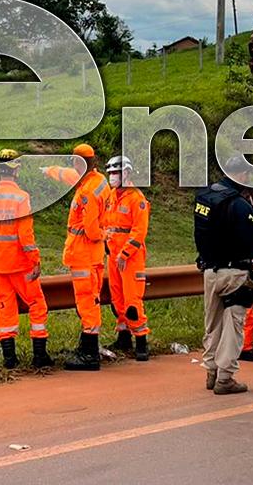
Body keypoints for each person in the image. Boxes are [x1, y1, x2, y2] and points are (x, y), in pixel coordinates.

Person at [0, 149, 52, 369]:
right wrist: (35, 259)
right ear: (16, 170)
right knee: (37, 304)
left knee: (5, 309)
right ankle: (39, 357)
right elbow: (25, 235)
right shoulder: (21, 197)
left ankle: (9, 359)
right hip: (21, 265)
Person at [195, 159, 253, 394]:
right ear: (243, 175)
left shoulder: (205, 196)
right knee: (233, 324)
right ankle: (225, 378)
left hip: (209, 270)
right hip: (235, 271)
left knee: (212, 323)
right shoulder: (239, 204)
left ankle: (211, 371)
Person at [43, 143, 112, 371]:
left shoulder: (87, 194)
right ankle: (87, 346)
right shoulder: (98, 181)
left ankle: (90, 354)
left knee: (86, 301)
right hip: (93, 255)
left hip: (83, 253)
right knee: (91, 299)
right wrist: (48, 170)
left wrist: (103, 235)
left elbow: (91, 231)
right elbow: (68, 175)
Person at [104, 155, 152, 362]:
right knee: (117, 299)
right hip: (113, 255)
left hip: (130, 257)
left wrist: (124, 253)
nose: (112, 177)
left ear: (127, 174)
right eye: (110, 173)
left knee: (132, 300)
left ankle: (142, 341)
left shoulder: (136, 198)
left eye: (115, 173)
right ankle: (123, 336)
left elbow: (139, 231)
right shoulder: (111, 196)